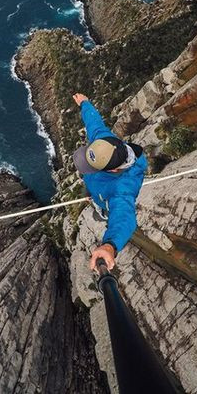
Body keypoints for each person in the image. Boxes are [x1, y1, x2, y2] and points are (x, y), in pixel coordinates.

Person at [72, 93, 147, 271]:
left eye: (92, 166)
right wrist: (85, 103)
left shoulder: (122, 189)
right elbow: (94, 123)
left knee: (104, 211)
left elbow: (124, 218)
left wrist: (109, 246)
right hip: (95, 187)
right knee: (88, 192)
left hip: (103, 194)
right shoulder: (105, 143)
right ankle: (91, 196)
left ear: (113, 170)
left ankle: (100, 207)